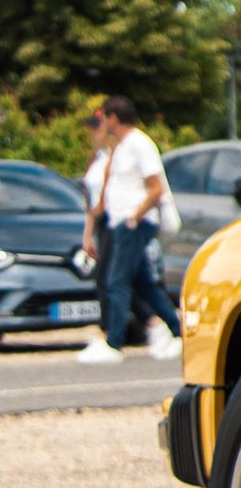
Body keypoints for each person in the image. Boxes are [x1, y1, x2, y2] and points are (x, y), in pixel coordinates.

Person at [80, 98, 182, 360]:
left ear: (114, 117)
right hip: (121, 223)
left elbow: (156, 187)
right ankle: (178, 331)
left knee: (116, 281)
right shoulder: (123, 146)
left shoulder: (139, 143)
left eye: (105, 118)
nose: (102, 123)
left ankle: (114, 343)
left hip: (134, 223)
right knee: (143, 284)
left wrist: (135, 216)